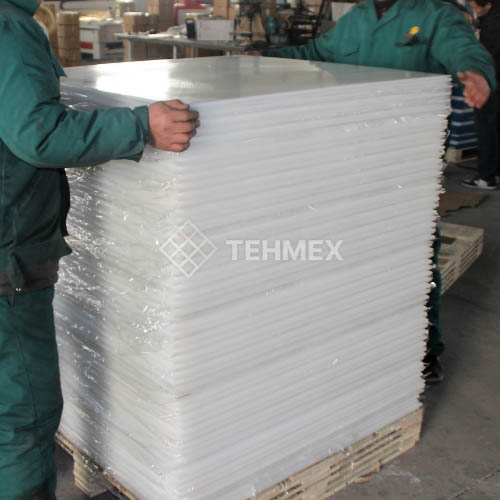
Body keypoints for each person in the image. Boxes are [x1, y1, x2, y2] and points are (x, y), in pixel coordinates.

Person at [0, 0, 200, 498]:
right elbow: (40, 134)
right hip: (6, 267)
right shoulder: (8, 27)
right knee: (21, 422)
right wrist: (140, 126)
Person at [253, 0, 496, 384]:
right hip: (352, 156)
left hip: (407, 163)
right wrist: (263, 57)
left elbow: (463, 49)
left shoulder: (434, 15)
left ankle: (424, 348)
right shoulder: (358, 19)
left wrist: (476, 74)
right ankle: (354, 335)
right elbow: (317, 52)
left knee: (414, 252)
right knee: (350, 246)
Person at [462, 0, 500, 189]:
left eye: (476, 6)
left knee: (485, 129)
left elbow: (485, 59)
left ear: (489, 5)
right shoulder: (490, 19)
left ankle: (486, 177)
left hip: (490, 84)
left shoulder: (492, 28)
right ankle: (495, 172)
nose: (474, 9)